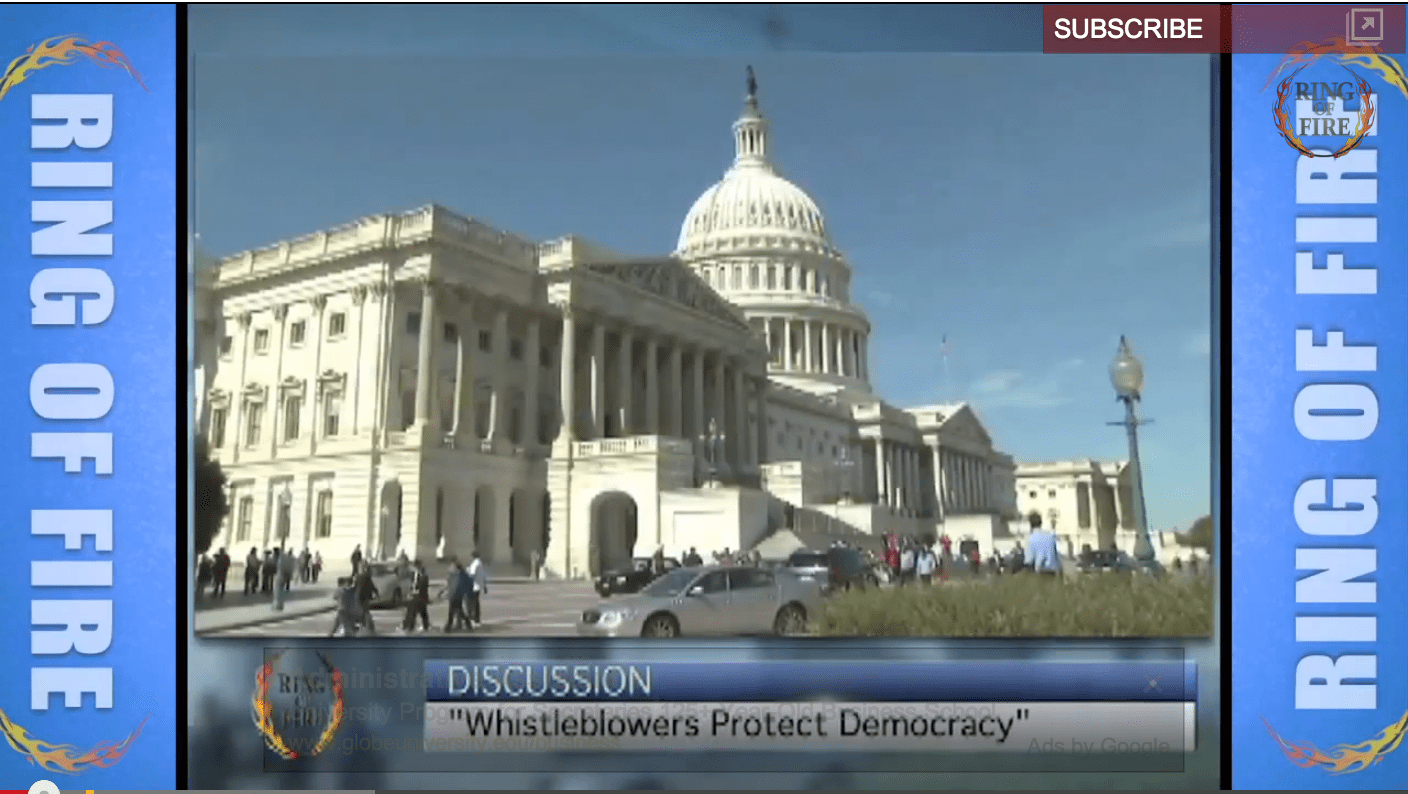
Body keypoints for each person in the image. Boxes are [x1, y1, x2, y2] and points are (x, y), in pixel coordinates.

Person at [1023, 512, 1062, 577]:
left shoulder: (1029, 538)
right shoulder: (1050, 535)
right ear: (1041, 523)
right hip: (1053, 572)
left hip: (1040, 573)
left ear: (1030, 524)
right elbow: (1058, 554)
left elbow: (1028, 560)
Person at [403, 559, 431, 633]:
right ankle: (410, 626)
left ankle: (423, 626)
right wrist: (411, 591)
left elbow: (423, 585)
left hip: (420, 596)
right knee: (414, 612)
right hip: (415, 596)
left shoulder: (423, 574)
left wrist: (415, 590)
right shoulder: (414, 574)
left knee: (420, 612)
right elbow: (412, 584)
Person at [444, 559, 469, 632]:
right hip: (457, 594)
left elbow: (452, 584)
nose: (451, 567)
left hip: (455, 594)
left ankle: (448, 626)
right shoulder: (461, 574)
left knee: (452, 611)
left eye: (452, 566)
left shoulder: (456, 574)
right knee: (459, 611)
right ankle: (467, 624)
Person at [465, 550, 487, 628]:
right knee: (476, 603)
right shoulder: (480, 563)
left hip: (474, 586)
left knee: (472, 603)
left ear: (473, 556)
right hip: (478, 586)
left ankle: (473, 619)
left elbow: (472, 574)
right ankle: (477, 619)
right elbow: (483, 575)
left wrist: (467, 571)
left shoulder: (475, 563)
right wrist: (484, 586)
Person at [355, 568, 379, 635]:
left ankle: (363, 624)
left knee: (360, 610)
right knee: (366, 611)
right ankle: (369, 626)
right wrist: (377, 593)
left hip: (358, 595)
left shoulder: (359, 576)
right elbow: (372, 586)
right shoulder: (367, 577)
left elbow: (355, 585)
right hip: (365, 596)